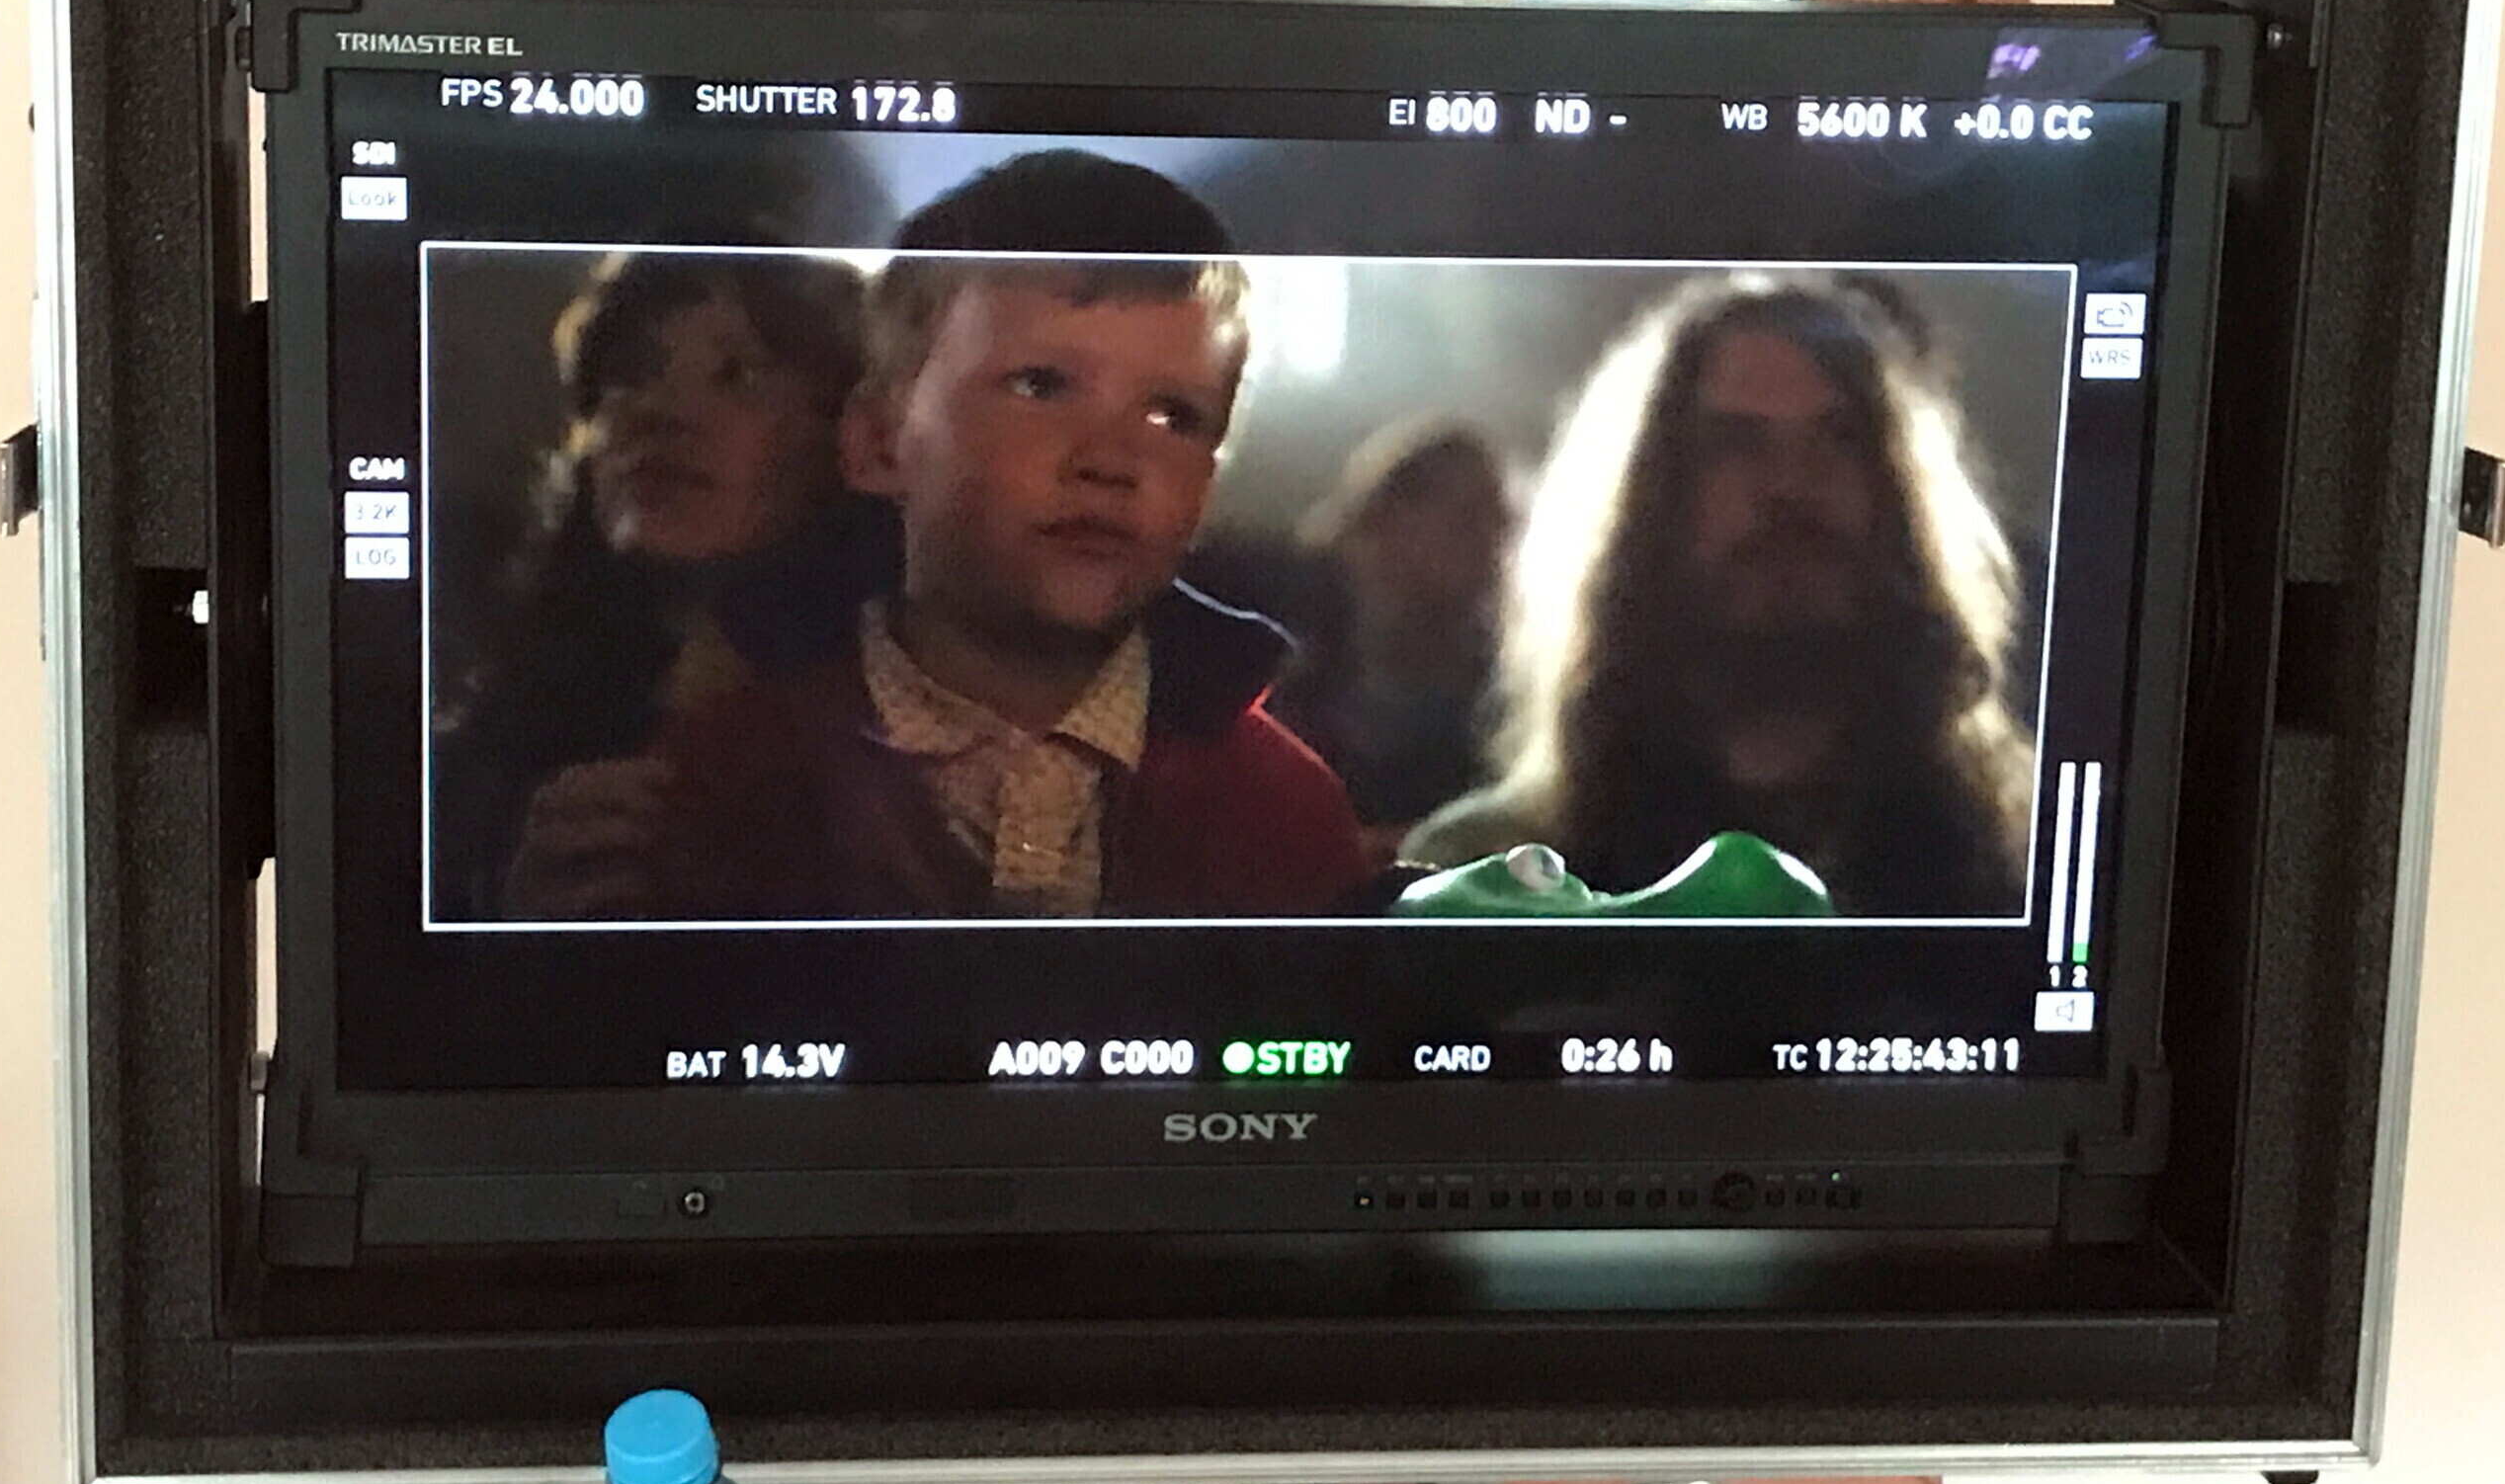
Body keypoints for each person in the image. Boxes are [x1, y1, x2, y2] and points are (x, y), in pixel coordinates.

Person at [619, 150, 1370, 921]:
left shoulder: (1282, 809)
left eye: (1173, 415)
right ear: (880, 441)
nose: (1111, 460)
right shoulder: (722, 780)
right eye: (1041, 385)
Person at [1401, 272, 2035, 916]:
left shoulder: (2031, 857)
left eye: (1838, 438)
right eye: (1736, 445)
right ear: (1650, 500)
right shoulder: (1488, 876)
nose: (1790, 485)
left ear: (1893, 491)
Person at [437, 248, 869, 921]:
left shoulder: (918, 731)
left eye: (741, 375)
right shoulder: (473, 755)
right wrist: (509, 925)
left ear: (859, 435)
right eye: (629, 373)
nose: (654, 413)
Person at [1272, 419, 1515, 845]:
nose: (1494, 542)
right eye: (1466, 519)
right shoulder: (1287, 657)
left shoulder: (1507, 686)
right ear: (1390, 520)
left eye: (1500, 520)